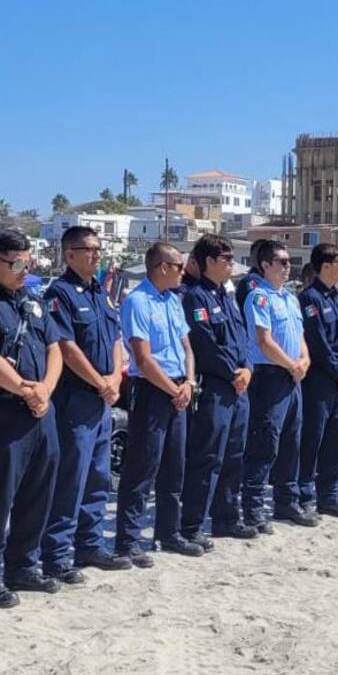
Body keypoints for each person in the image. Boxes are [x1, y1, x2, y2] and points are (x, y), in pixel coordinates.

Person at [41, 226, 130, 580]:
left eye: (98, 249)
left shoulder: (101, 294)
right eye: (89, 249)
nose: (96, 255)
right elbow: (65, 347)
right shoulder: (59, 293)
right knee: (71, 478)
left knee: (98, 477)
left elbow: (116, 339)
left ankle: (89, 545)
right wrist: (99, 381)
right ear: (69, 255)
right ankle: (57, 554)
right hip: (75, 398)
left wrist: (114, 379)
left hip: (102, 399)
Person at [0, 230, 63, 607]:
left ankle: (23, 565)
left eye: (27, 263)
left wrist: (44, 389)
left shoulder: (33, 301)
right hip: (3, 412)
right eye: (16, 264)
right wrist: (24, 389)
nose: (24, 270)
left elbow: (54, 348)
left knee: (38, 489)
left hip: (41, 410)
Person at [115, 241, 198, 565]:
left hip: (179, 386)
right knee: (142, 467)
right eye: (178, 267)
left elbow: (186, 347)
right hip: (152, 389)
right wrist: (173, 389)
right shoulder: (138, 301)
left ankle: (168, 532)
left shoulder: (173, 300)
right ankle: (128, 540)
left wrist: (188, 382)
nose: (182, 272)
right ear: (162, 267)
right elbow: (143, 358)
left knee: (175, 465)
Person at [180, 234, 257, 546]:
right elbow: (206, 344)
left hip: (238, 387)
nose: (231, 264)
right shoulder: (194, 297)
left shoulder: (227, 295)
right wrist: (232, 373)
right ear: (209, 261)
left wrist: (247, 368)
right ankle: (192, 525)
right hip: (214, 386)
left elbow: (242, 338)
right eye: (226, 259)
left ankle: (227, 518)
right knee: (207, 457)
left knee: (234, 455)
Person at [242, 240, 315, 530]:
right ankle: (253, 508)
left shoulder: (290, 298)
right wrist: (291, 364)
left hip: (293, 376)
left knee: (291, 442)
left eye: (288, 261)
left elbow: (299, 336)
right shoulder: (259, 297)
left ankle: (286, 502)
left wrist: (304, 359)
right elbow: (264, 341)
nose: (287, 267)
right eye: (281, 262)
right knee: (265, 443)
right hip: (270, 375)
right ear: (265, 265)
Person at [298, 244, 338, 518]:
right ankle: (304, 496)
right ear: (326, 266)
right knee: (313, 439)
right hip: (320, 380)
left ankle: (329, 496)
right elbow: (317, 341)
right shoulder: (309, 298)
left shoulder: (337, 297)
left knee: (337, 439)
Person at [235, 238, 268, 310]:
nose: (262, 257)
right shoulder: (251, 281)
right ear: (252, 257)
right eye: (259, 254)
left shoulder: (270, 280)